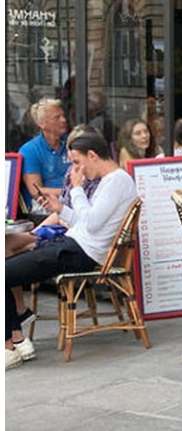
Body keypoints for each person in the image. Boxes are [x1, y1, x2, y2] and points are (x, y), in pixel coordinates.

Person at [6, 131, 137, 369]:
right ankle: (15, 339)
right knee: (7, 258)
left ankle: (10, 346)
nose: (76, 169)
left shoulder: (117, 180)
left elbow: (92, 223)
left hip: (79, 252)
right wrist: (60, 209)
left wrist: (76, 190)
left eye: (77, 162)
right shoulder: (113, 180)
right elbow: (87, 223)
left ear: (93, 155)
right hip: (73, 245)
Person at [19, 98, 70, 213]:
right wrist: (72, 192)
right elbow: (37, 192)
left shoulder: (71, 144)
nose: (63, 120)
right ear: (41, 124)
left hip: (72, 206)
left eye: (63, 116)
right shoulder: (30, 150)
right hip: (44, 211)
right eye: (57, 118)